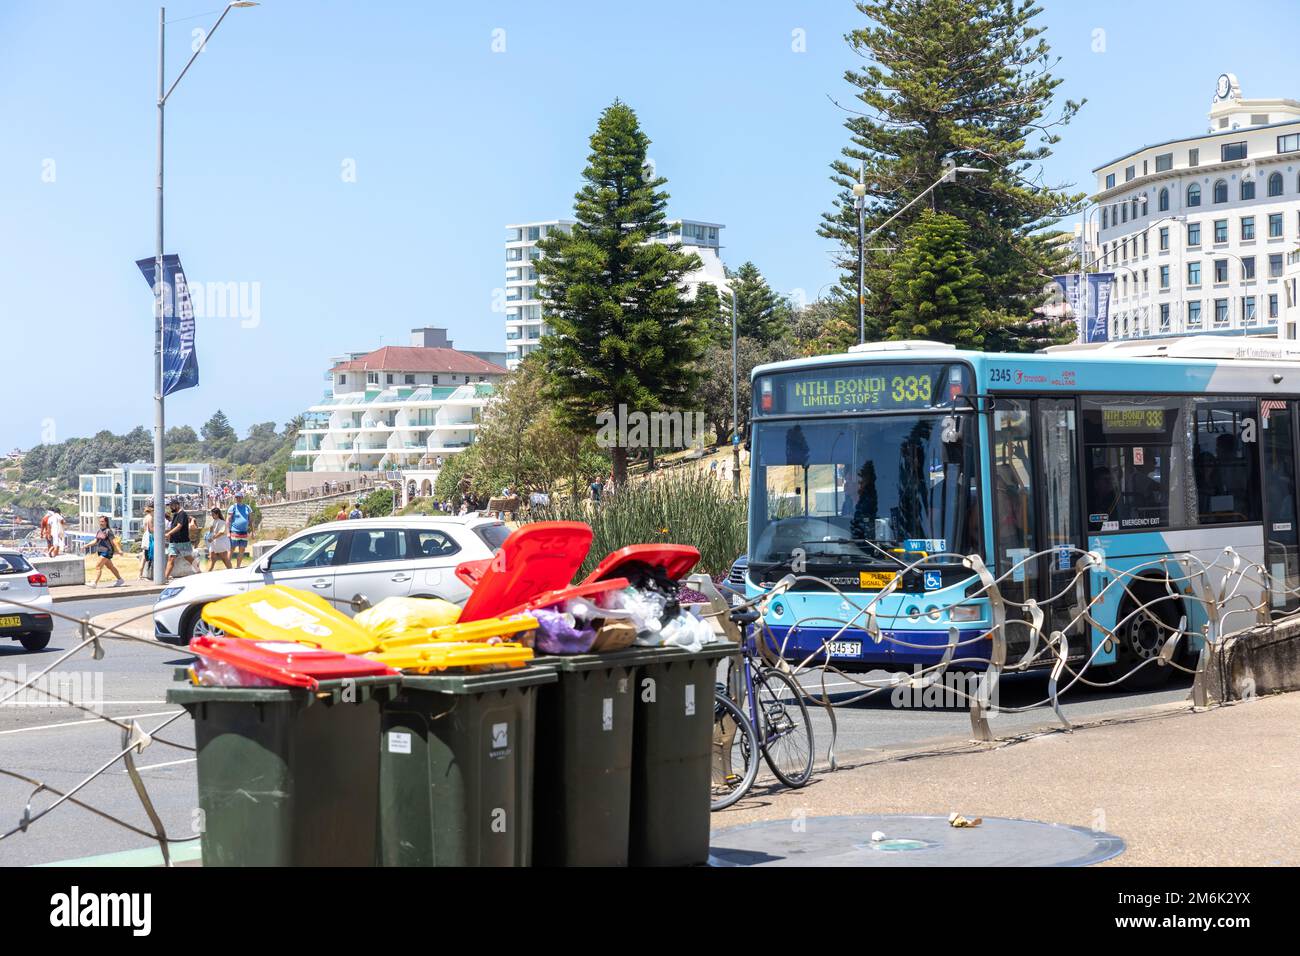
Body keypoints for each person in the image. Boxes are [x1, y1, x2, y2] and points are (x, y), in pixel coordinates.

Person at [88, 516, 125, 588]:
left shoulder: (108, 531)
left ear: (106, 522)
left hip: (107, 551)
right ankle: (120, 580)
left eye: (102, 521)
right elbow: (95, 541)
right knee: (110, 567)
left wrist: (119, 550)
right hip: (100, 551)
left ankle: (94, 583)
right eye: (100, 521)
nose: (101, 523)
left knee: (98, 566)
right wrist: (86, 545)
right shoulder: (99, 531)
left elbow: (114, 541)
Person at [163, 498, 192, 581]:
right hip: (173, 541)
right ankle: (165, 577)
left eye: (172, 506)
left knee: (188, 557)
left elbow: (179, 526)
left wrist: (169, 533)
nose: (170, 508)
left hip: (182, 541)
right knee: (171, 558)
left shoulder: (182, 514)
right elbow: (173, 526)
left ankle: (199, 572)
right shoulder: (175, 514)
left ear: (177, 505)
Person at [227, 493, 252, 569]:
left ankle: (238, 566)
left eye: (239, 497)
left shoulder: (247, 507)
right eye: (237, 497)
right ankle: (228, 566)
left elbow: (250, 520)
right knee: (232, 549)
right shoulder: (233, 507)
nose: (238, 499)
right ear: (235, 498)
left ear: (242, 498)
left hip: (244, 532)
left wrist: (253, 531)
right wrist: (228, 532)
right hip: (235, 531)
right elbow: (228, 520)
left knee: (242, 549)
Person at [139, 503, 155, 580]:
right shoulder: (150, 517)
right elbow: (151, 529)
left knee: (144, 556)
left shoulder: (145, 517)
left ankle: (140, 574)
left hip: (145, 536)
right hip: (150, 537)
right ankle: (151, 574)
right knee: (151, 555)